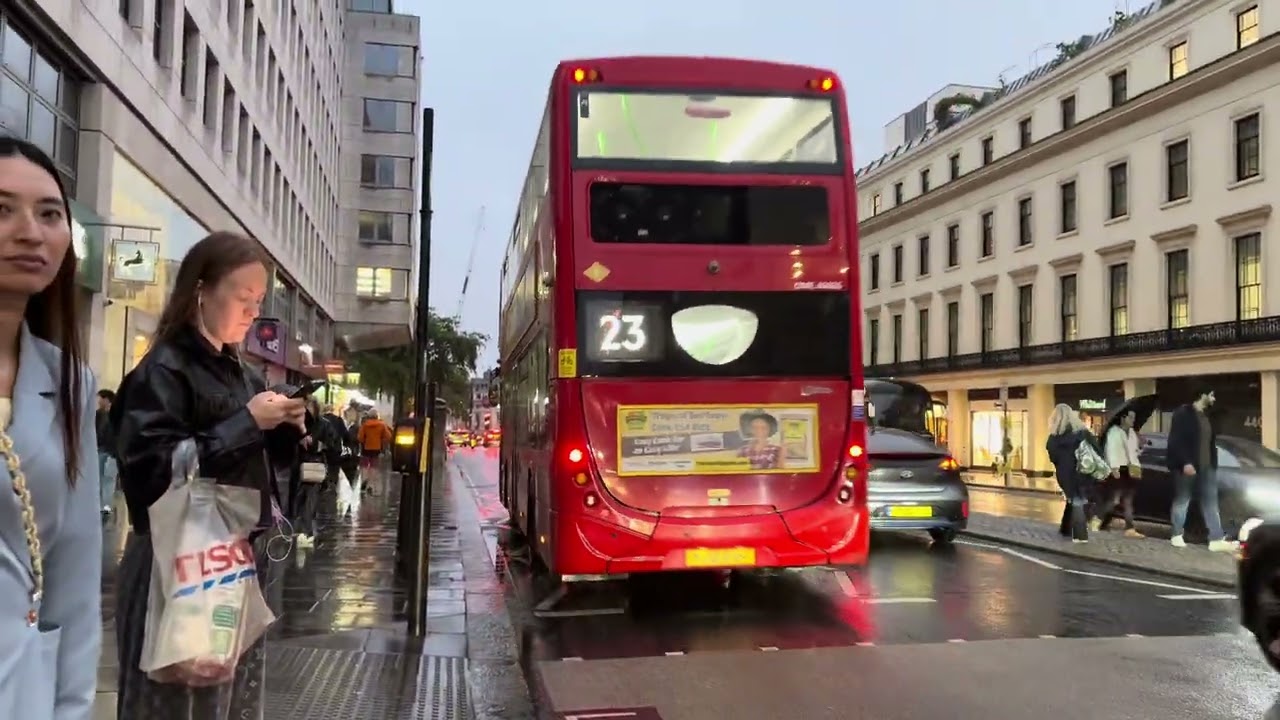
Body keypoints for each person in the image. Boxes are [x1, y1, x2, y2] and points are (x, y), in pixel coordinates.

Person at [112, 231, 308, 718]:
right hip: (176, 561)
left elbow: (258, 462)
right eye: (243, 297)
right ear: (201, 291)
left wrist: (288, 430)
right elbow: (153, 474)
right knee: (174, 699)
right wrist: (247, 423)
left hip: (232, 561)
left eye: (258, 301)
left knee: (229, 699)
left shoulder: (240, 372)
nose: (252, 312)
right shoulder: (163, 370)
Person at [0, 137, 100, 719]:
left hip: (22, 691)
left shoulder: (69, 382)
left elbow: (75, 576)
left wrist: (70, 707)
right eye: (2, 210)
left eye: (49, 214)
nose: (30, 233)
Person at [1167, 386, 1237, 551]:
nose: (1213, 399)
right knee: (1183, 500)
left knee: (1211, 503)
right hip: (1187, 466)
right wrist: (1185, 462)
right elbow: (1176, 440)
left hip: (1207, 467)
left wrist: (1213, 464)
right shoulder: (1183, 413)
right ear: (1202, 395)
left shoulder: (1206, 416)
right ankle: (1176, 535)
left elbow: (1210, 442)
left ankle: (1216, 539)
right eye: (1211, 395)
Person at [1045, 403, 1096, 543]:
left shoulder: (1053, 439)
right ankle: (1080, 536)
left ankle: (1065, 529)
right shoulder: (1082, 434)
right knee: (1078, 501)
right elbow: (1095, 449)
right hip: (1081, 471)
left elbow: (1053, 458)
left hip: (1064, 475)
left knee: (1073, 499)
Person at [1093, 408, 1144, 537]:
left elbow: (1134, 452)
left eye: (1134, 418)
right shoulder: (1114, 432)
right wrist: (1114, 468)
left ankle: (1130, 528)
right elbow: (1111, 451)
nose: (1133, 420)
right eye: (1130, 417)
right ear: (1123, 418)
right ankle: (1097, 520)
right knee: (1114, 500)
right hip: (1118, 468)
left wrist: (1140, 446)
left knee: (1128, 500)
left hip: (1131, 469)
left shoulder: (1132, 433)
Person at [356, 408, 392, 494]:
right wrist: (381, 441)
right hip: (376, 448)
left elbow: (360, 438)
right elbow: (388, 436)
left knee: (365, 466)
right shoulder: (382, 425)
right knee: (374, 467)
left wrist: (364, 441)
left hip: (365, 448)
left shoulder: (365, 425)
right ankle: (371, 485)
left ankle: (364, 480)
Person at [96, 388, 119, 515]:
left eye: (100, 398)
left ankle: (105, 507)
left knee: (109, 479)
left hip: (112, 453)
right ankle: (99, 505)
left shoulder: (118, 415)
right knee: (99, 479)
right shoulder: (98, 414)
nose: (98, 401)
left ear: (106, 399)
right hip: (100, 451)